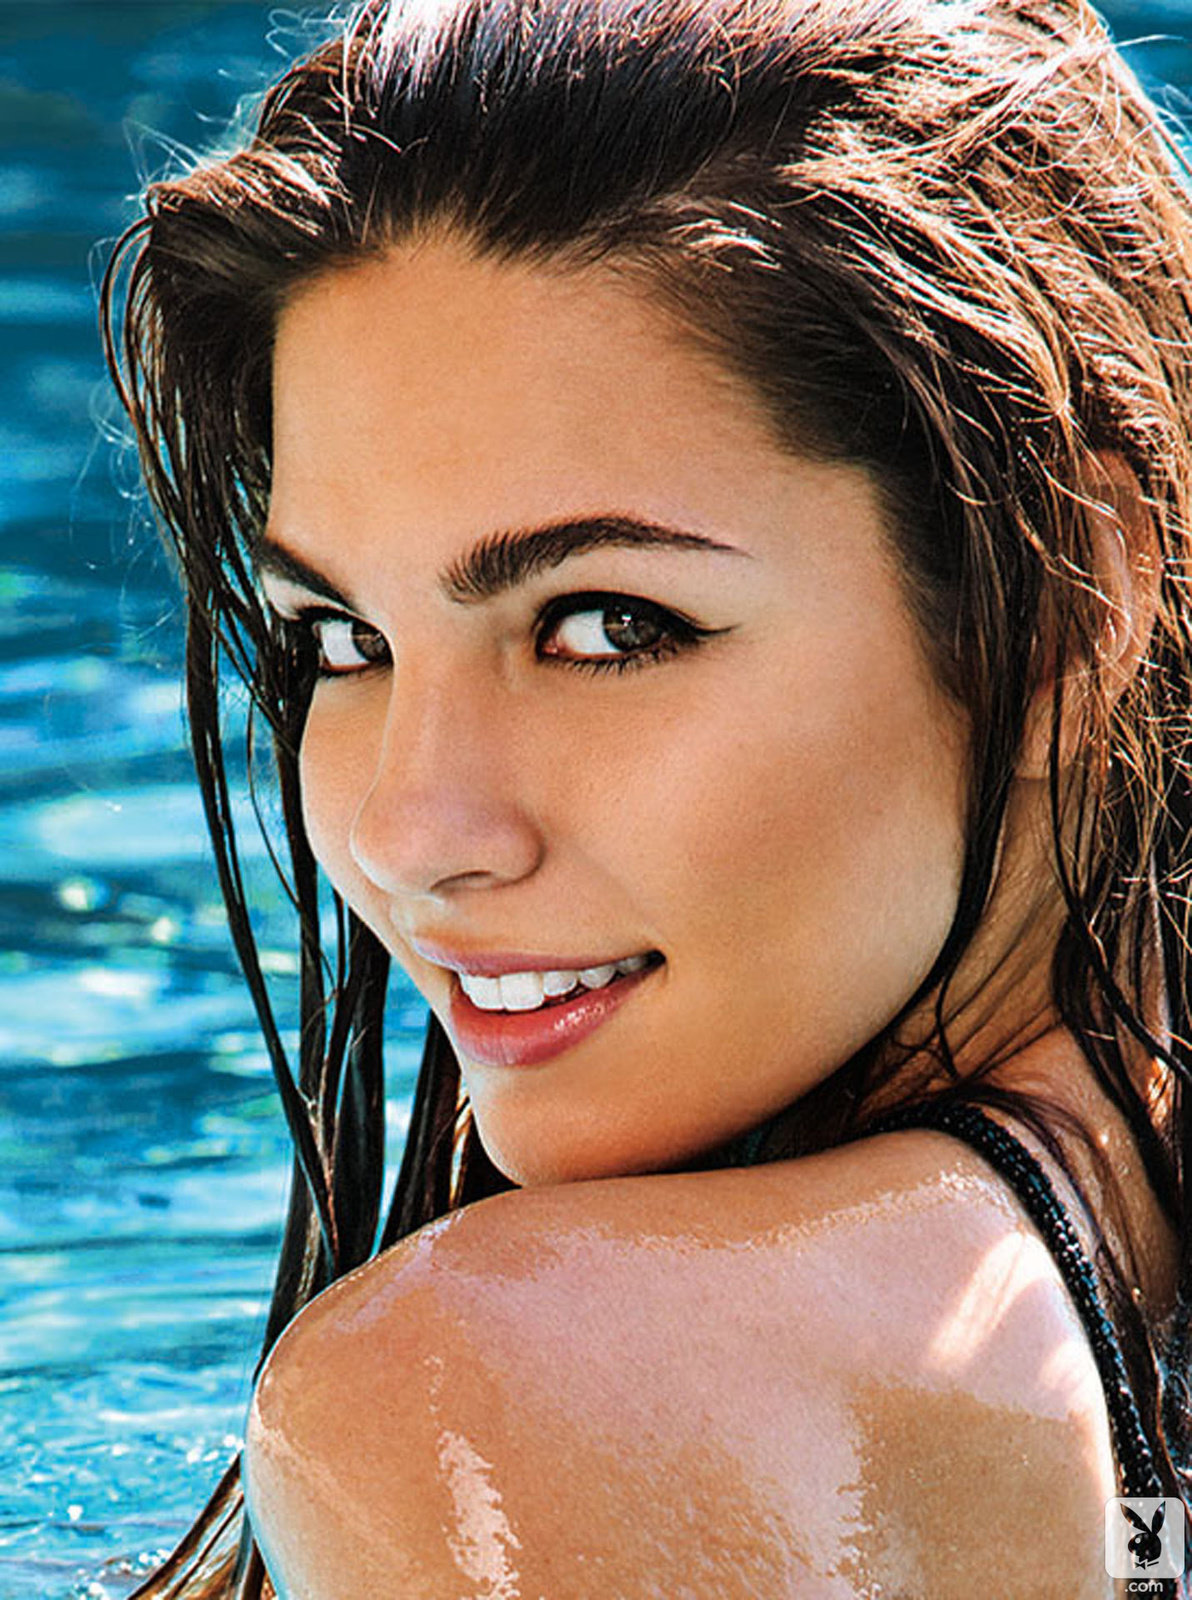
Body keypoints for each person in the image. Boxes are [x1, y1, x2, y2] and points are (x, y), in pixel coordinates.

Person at [100, 0, 1192, 1593]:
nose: (408, 835)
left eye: (606, 626)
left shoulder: (486, 1392)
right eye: (341, 640)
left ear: (1068, 606)